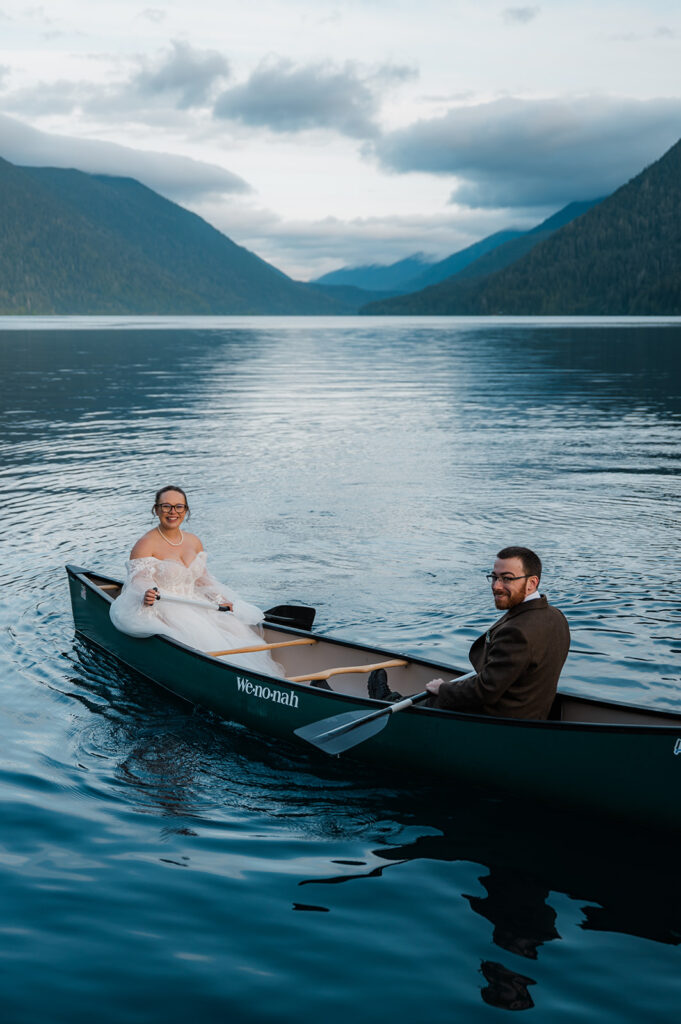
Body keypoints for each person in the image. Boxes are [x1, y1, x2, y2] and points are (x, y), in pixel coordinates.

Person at [109, 486, 284, 676]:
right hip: (165, 604)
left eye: (179, 507)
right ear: (156, 509)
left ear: (186, 510)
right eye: (166, 506)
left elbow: (202, 579)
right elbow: (138, 579)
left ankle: (254, 678)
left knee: (238, 631)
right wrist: (148, 591)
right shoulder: (146, 543)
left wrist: (219, 599)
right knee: (201, 638)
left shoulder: (193, 541)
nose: (173, 512)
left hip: (195, 601)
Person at [426, 546, 569, 719]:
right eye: (494, 577)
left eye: (507, 579)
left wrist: (443, 689)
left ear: (532, 583)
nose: (496, 586)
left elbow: (486, 690)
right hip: (532, 713)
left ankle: (391, 699)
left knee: (430, 701)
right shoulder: (556, 616)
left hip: (500, 721)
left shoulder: (516, 632)